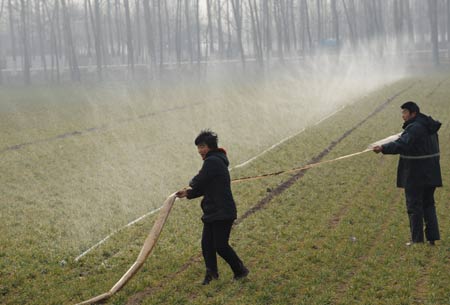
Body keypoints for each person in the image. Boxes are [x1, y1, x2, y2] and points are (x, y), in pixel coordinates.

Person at [176, 130, 249, 284]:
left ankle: (240, 270)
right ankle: (212, 275)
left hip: (222, 211)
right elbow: (204, 187)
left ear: (211, 146)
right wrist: (187, 194)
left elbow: (199, 180)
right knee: (207, 245)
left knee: (220, 246)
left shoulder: (212, 161)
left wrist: (191, 184)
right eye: (198, 148)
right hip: (213, 210)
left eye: (202, 147)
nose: (199, 151)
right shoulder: (214, 160)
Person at [373, 101, 442, 246]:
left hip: (416, 173)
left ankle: (417, 240)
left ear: (413, 113)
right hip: (431, 172)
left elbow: (402, 144)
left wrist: (382, 148)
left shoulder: (415, 128)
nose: (403, 116)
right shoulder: (428, 125)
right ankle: (432, 238)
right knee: (429, 205)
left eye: (405, 113)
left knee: (414, 206)